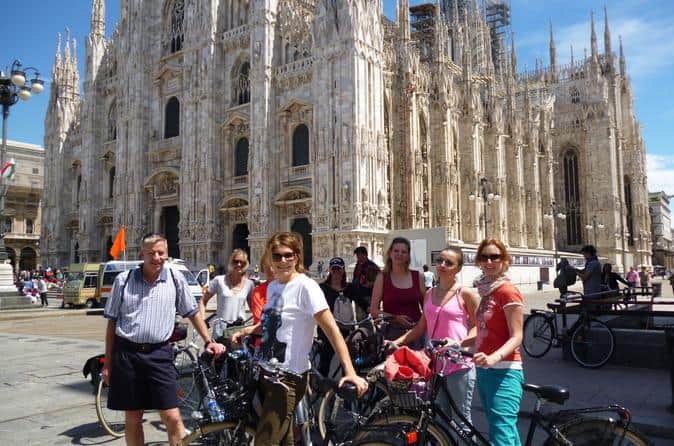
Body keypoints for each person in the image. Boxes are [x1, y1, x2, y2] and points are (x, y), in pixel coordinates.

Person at [232, 232, 368, 446]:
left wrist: (349, 371)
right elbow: (274, 323)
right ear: (269, 257)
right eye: (277, 256)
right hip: (267, 372)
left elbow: (332, 331)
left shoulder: (307, 287)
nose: (283, 261)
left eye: (288, 255)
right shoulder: (275, 285)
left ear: (297, 257)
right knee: (285, 440)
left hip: (287, 378)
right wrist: (248, 331)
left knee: (264, 441)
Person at [102, 233, 225, 446]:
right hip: (128, 354)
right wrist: (108, 363)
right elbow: (112, 323)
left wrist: (208, 340)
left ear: (167, 255)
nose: (156, 257)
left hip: (160, 354)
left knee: (173, 416)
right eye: (151, 253)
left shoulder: (176, 279)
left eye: (161, 253)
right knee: (133, 418)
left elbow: (192, 312)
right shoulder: (124, 280)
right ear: (142, 254)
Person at [390, 246, 478, 430]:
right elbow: (422, 326)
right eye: (440, 260)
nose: (442, 265)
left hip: (458, 363)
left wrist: (459, 343)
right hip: (436, 364)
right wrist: (396, 342)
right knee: (441, 419)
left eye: (449, 262)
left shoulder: (465, 293)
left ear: (458, 268)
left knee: (461, 420)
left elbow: (479, 327)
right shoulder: (430, 294)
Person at [472, 238, 524, 446]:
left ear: (504, 260)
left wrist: (494, 357)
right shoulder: (486, 291)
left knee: (501, 437)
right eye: (484, 257)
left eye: (495, 256)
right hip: (485, 370)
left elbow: (517, 335)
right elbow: (484, 330)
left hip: (504, 370)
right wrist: (458, 343)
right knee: (503, 432)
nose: (489, 261)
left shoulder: (507, 290)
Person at [370, 237, 426, 348]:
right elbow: (373, 311)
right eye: (396, 251)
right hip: (392, 335)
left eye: (404, 252)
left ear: (408, 256)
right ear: (390, 253)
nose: (399, 254)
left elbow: (426, 307)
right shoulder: (382, 278)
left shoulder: (418, 276)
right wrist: (395, 318)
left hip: (416, 333)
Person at [199, 249, 254, 323]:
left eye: (242, 262)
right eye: (236, 261)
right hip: (220, 330)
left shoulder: (249, 284)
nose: (239, 264)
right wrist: (202, 320)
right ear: (231, 262)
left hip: (239, 330)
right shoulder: (219, 280)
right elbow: (203, 301)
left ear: (246, 264)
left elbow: (253, 308)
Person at [351, 246, 380, 310]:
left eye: (359, 255)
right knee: (360, 318)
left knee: (372, 317)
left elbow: (379, 282)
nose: (358, 257)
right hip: (359, 297)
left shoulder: (372, 266)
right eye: (357, 255)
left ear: (364, 255)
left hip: (369, 296)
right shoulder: (358, 266)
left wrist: (370, 284)